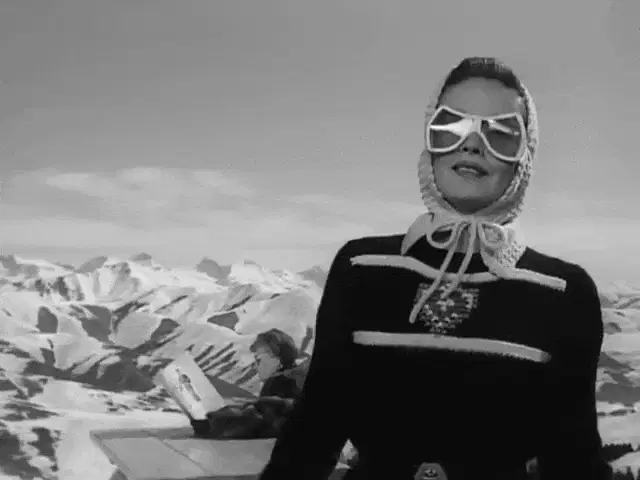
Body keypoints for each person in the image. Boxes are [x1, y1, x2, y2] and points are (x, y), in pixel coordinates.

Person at [258, 57, 612, 480]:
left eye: (501, 134)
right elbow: (314, 429)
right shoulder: (362, 268)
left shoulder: (562, 291)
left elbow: (573, 456)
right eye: (451, 126)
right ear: (430, 143)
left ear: (524, 158)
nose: (472, 145)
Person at [189, 328, 304, 439]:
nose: (255, 366)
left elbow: (260, 420)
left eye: (258, 360)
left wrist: (212, 425)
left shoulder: (281, 382)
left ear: (276, 360)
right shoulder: (294, 378)